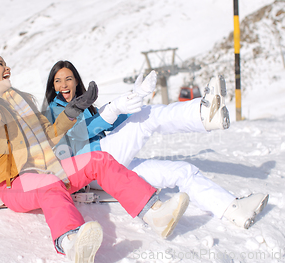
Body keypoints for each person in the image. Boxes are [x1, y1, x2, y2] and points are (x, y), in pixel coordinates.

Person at [0, 53, 190, 263]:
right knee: (48, 185)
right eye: (0, 64)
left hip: (45, 169)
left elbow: (50, 133)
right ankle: (72, 241)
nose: (7, 67)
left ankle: (154, 213)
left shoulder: (21, 101)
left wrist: (74, 109)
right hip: (12, 184)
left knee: (97, 159)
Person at [41, 60, 269, 230]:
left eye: (68, 78)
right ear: (52, 86)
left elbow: (110, 124)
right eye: (58, 80)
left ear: (77, 81)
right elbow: (76, 136)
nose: (64, 84)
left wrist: (134, 99)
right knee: (148, 119)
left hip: (111, 165)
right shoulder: (53, 110)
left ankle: (233, 209)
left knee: (182, 171)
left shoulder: (85, 105)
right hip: (92, 165)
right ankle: (203, 114)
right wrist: (112, 109)